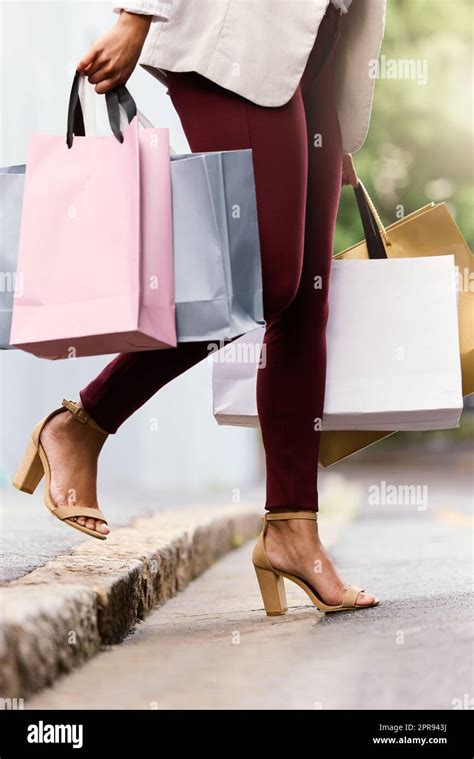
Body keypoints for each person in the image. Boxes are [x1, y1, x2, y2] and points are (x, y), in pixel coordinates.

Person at [15, 0, 386, 613]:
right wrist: (137, 13)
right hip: (238, 33)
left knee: (307, 301)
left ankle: (294, 529)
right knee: (267, 280)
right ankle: (82, 423)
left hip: (312, 46)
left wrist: (330, 120)